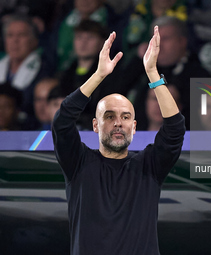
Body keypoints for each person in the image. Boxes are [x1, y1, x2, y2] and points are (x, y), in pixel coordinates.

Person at [52, 26, 185, 255]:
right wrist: (99, 75)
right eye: (109, 116)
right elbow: (62, 121)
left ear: (134, 127)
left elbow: (174, 128)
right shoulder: (78, 163)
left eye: (125, 117)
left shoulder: (149, 166)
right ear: (95, 125)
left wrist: (153, 74)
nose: (118, 123)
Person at [0, 15, 51, 125]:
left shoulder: (45, 69)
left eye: (21, 35)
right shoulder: (2, 64)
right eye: (10, 35)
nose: (15, 40)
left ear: (34, 41)